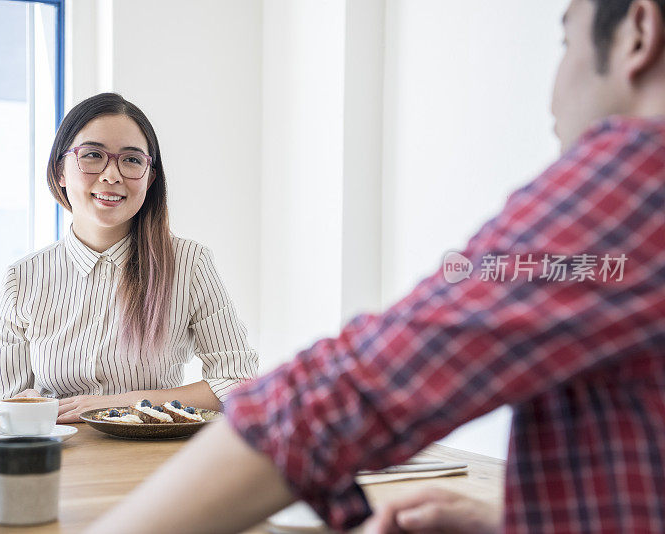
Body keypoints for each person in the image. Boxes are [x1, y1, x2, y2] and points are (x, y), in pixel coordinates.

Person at [85, 0, 665, 532]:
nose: (552, 93)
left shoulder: (635, 180)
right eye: (91, 158)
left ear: (638, 31)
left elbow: (347, 393)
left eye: (565, 44)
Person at [0, 93, 258, 427]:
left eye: (131, 160)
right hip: (60, 462)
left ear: (150, 179)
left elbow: (237, 381)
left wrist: (115, 405)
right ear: (60, 171)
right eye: (93, 155)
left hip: (151, 460)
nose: (112, 175)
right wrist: (12, 409)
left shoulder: (189, 263)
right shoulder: (22, 278)